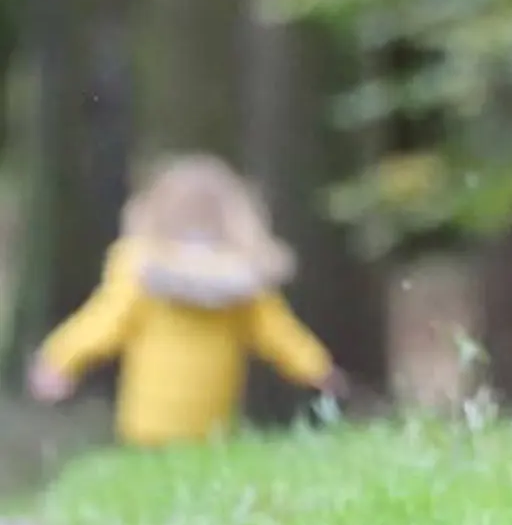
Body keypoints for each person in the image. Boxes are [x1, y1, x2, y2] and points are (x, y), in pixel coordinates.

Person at [27, 153, 345, 447]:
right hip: (212, 419)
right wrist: (318, 368)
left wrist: (59, 359)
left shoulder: (140, 268)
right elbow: (278, 333)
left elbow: (103, 322)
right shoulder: (244, 277)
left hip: (147, 420)